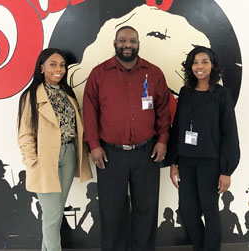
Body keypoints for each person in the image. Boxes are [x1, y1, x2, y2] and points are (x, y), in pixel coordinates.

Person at [83, 26, 170, 250]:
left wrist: (162, 139)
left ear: (139, 43)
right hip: (110, 154)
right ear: (115, 43)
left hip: (147, 152)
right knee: (112, 211)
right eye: (123, 40)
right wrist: (93, 145)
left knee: (146, 209)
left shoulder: (154, 72)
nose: (127, 45)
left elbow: (163, 110)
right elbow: (90, 112)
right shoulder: (99, 74)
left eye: (132, 40)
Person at [17, 48, 92, 251]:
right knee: (51, 216)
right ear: (41, 67)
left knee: (56, 213)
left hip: (69, 155)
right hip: (45, 159)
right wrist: (32, 161)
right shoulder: (31, 96)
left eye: (62, 65)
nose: (59, 69)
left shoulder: (68, 93)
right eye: (52, 64)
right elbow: (25, 133)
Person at [169, 46, 240, 251]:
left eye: (204, 62)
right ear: (190, 66)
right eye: (195, 62)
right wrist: (174, 162)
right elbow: (178, 127)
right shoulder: (185, 92)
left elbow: (230, 133)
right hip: (186, 160)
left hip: (211, 162)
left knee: (210, 211)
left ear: (212, 66)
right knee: (188, 210)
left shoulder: (222, 94)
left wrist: (226, 171)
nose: (199, 66)